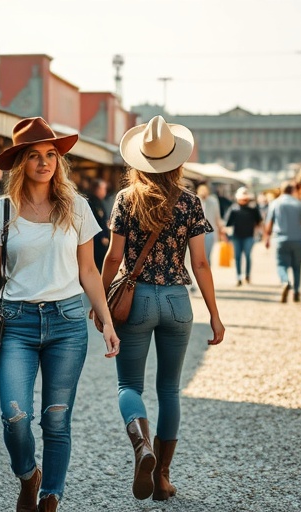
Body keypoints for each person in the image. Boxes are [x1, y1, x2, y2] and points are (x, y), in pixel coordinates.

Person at [0, 117, 121, 512]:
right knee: (15, 416)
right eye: (34, 155)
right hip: (16, 323)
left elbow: (88, 270)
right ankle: (28, 475)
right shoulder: (1, 210)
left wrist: (105, 321)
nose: (44, 162)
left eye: (51, 154)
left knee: (56, 420)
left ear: (59, 160)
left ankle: (51, 495)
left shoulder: (77, 207)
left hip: (68, 323)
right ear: (21, 162)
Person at [101, 116, 224, 502]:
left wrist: (102, 302)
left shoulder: (126, 199)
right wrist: (215, 315)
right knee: (169, 388)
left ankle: (142, 448)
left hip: (134, 302)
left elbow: (114, 255)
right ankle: (164, 478)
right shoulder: (190, 202)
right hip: (176, 300)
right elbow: (200, 263)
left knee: (128, 385)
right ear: (178, 161)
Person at [263, 181, 301, 303]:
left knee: (281, 265)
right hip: (297, 240)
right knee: (297, 267)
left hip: (280, 239)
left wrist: (267, 237)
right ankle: (296, 292)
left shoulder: (275, 203)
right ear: (293, 191)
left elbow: (269, 223)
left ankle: (285, 281)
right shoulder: (299, 204)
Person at [223, 186, 262, 286]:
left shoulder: (253, 209)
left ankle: (247, 275)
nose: (243, 200)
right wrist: (225, 234)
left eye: (245, 199)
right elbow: (227, 223)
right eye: (242, 199)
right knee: (237, 257)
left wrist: (259, 233)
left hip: (249, 236)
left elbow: (259, 222)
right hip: (236, 237)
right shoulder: (234, 209)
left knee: (248, 256)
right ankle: (239, 277)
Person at [195, 183, 224, 265]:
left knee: (207, 257)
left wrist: (221, 231)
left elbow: (217, 217)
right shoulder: (195, 200)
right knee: (197, 257)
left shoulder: (213, 201)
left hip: (209, 233)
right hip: (196, 233)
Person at [88, 179, 111, 270]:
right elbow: (93, 222)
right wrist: (102, 236)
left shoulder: (99, 202)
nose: (104, 192)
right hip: (96, 241)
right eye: (103, 189)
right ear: (97, 189)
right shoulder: (91, 202)